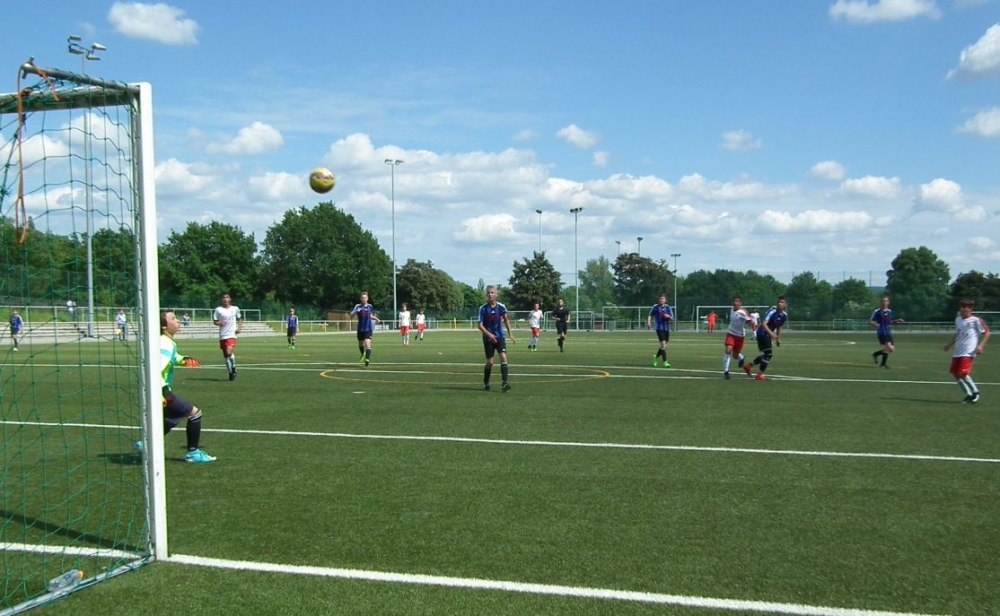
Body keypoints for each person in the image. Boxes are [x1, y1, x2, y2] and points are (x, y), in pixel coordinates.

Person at [149, 309, 216, 463]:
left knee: (172, 418)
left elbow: (171, 357)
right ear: (164, 326)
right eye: (173, 319)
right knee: (195, 414)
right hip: (160, 390)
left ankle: (145, 443)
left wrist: (183, 359)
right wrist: (161, 392)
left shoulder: (165, 341)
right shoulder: (165, 343)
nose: (178, 320)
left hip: (159, 389)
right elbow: (155, 368)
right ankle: (193, 453)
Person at [943, 299, 990, 404]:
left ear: (970, 309)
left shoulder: (976, 320)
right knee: (955, 374)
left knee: (963, 373)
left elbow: (987, 332)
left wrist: (980, 346)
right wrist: (949, 345)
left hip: (968, 351)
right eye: (962, 307)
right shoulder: (958, 320)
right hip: (958, 351)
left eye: (966, 307)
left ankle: (975, 392)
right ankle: (968, 394)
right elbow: (957, 334)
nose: (963, 309)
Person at [478, 285, 515, 392]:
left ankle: (504, 383)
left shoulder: (501, 307)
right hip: (488, 338)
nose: (490, 294)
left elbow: (506, 320)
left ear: (496, 294)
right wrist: (489, 335)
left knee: (503, 357)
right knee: (490, 362)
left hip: (500, 336)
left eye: (492, 292)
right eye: (488, 293)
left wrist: (510, 334)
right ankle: (486, 382)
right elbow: (479, 325)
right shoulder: (483, 308)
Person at [749, 297, 788, 380]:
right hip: (762, 333)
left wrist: (778, 338)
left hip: (767, 334)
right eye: (778, 302)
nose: (779, 304)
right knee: (769, 355)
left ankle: (749, 365)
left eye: (782, 302)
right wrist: (771, 333)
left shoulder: (784, 315)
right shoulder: (772, 312)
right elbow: (764, 324)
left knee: (767, 354)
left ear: (785, 304)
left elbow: (779, 326)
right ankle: (759, 374)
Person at [723, 295, 755, 380]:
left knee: (735, 355)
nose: (735, 303)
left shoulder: (743, 312)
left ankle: (741, 357)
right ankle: (726, 372)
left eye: (737, 301)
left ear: (741, 303)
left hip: (740, 336)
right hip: (731, 333)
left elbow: (751, 322)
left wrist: (755, 333)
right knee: (728, 350)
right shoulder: (731, 309)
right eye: (734, 301)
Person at [213, 293, 242, 381]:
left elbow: (240, 318)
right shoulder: (218, 310)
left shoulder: (235, 308)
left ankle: (233, 367)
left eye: (227, 297)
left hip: (232, 334)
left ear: (230, 299)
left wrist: (239, 328)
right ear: (221, 299)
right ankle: (230, 372)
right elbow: (215, 321)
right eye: (223, 297)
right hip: (223, 335)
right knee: (226, 356)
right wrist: (219, 323)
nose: (225, 299)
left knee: (229, 352)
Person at [870, 295, 904, 369]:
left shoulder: (889, 311)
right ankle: (883, 364)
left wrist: (897, 321)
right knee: (888, 347)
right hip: (881, 332)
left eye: (885, 301)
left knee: (891, 349)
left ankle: (875, 354)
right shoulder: (877, 311)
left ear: (888, 302)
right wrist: (875, 325)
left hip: (888, 332)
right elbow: (871, 321)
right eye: (882, 301)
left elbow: (889, 322)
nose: (883, 302)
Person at [350, 291, 379, 366]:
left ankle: (367, 359)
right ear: (360, 299)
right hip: (360, 329)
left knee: (367, 343)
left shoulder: (370, 306)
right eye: (362, 298)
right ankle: (363, 353)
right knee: (361, 344)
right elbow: (351, 316)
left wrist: (376, 318)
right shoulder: (357, 306)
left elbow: (370, 315)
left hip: (368, 328)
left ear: (367, 298)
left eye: (365, 298)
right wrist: (356, 311)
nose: (364, 299)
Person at [647, 294, 673, 368]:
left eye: (663, 299)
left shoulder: (668, 307)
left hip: (666, 328)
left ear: (665, 300)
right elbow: (650, 315)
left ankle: (656, 357)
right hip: (659, 328)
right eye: (660, 299)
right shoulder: (655, 307)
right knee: (663, 345)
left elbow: (672, 318)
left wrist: (668, 316)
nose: (661, 300)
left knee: (664, 347)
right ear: (659, 300)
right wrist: (649, 322)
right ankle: (665, 362)